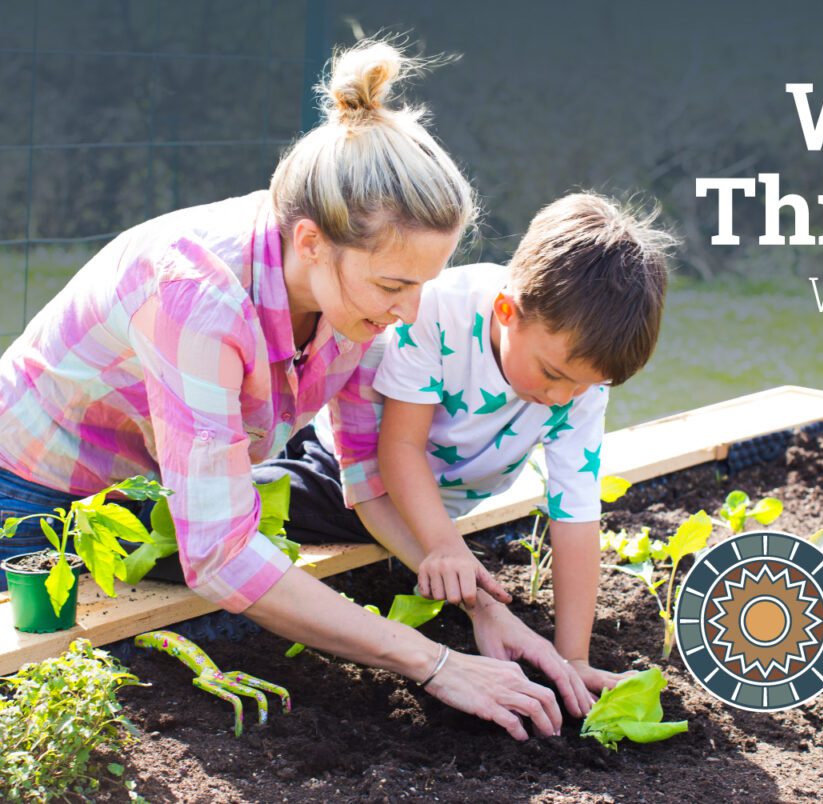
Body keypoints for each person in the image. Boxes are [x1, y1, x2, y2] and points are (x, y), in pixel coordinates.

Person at [0, 39, 588, 740]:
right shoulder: (198, 296)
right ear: (310, 241)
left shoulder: (352, 302)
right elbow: (218, 554)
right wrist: (434, 664)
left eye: (423, 287)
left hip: (141, 500)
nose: (408, 314)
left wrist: (484, 611)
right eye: (394, 286)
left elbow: (365, 477)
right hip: (34, 499)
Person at [259, 192, 673, 697]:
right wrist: (443, 546)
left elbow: (576, 512)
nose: (562, 397)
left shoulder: (579, 379)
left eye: (584, 386)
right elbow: (399, 450)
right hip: (344, 475)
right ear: (507, 311)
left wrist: (574, 658)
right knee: (246, 508)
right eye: (552, 375)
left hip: (433, 509)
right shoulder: (440, 310)